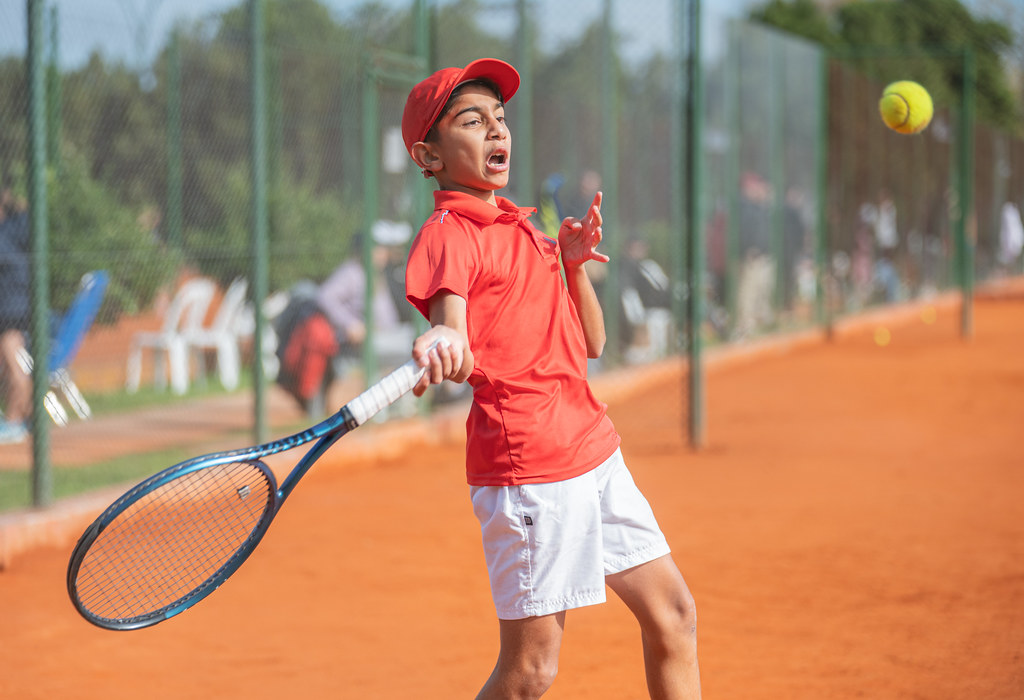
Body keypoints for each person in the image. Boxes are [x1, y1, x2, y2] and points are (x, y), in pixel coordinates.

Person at [400, 58, 701, 699]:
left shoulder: (523, 225)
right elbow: (450, 316)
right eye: (472, 121)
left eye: (500, 119)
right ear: (429, 155)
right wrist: (445, 337)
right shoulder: (451, 231)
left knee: (673, 615)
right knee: (531, 673)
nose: (495, 131)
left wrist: (571, 265)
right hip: (531, 468)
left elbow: (590, 342)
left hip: (593, 448)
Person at [275, 223, 407, 417]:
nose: (382, 253)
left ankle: (398, 409)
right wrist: (350, 324)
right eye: (377, 248)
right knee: (415, 348)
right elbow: (324, 296)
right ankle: (392, 410)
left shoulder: (378, 273)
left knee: (418, 340)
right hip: (363, 342)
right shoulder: (352, 272)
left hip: (387, 334)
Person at [0, 185, 31, 444]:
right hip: (18, 309)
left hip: (11, 312)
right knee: (10, 366)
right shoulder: (15, 230)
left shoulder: (7, 234)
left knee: (15, 365)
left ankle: (14, 422)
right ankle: (19, 418)